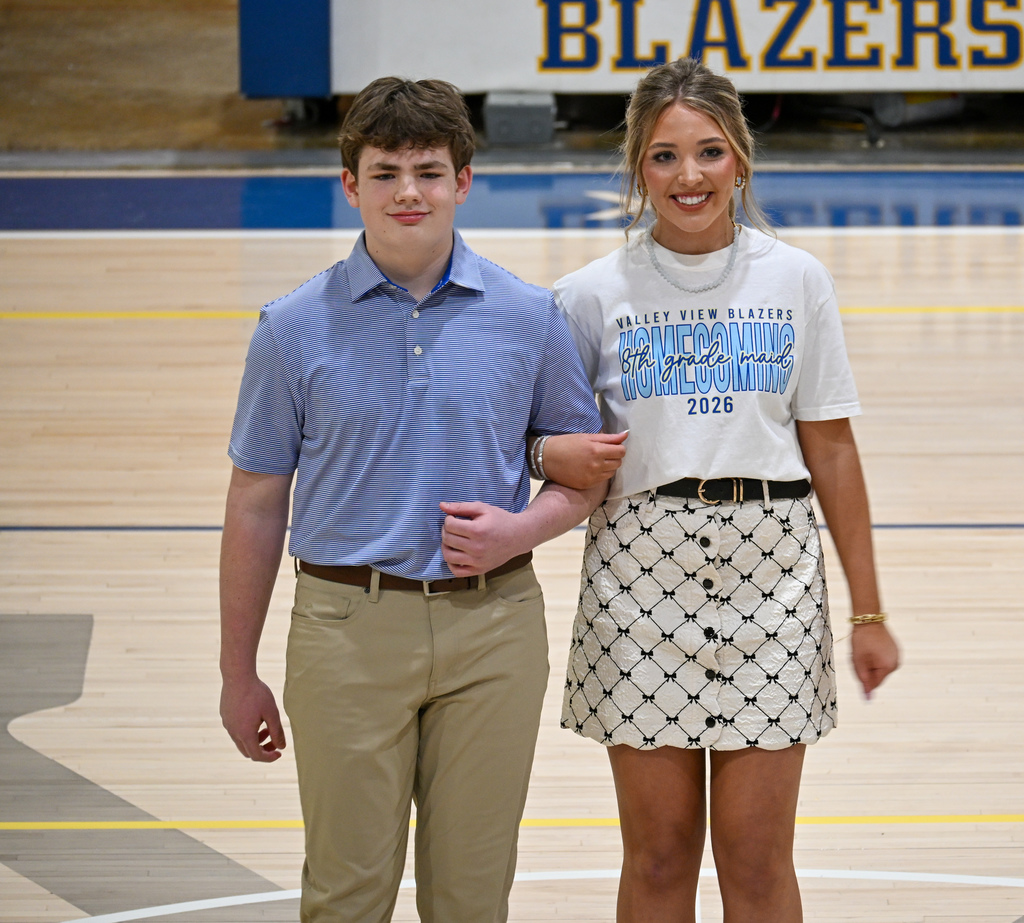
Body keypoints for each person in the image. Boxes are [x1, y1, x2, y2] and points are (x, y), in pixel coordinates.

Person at [218, 76, 610, 923]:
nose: (408, 192)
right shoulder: (290, 328)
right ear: (350, 183)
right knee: (346, 895)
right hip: (345, 632)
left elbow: (585, 474)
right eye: (386, 171)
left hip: (494, 630)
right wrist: (235, 668)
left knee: (472, 899)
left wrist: (520, 531)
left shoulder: (527, 315)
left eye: (429, 171)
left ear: (463, 181)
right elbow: (254, 503)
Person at [538, 57, 900, 922]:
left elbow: (833, 450)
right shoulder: (586, 296)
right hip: (638, 577)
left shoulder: (797, 280)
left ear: (740, 158)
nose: (688, 176)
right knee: (659, 857)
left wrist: (868, 610)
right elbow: (535, 441)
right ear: (636, 167)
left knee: (757, 856)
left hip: (771, 576)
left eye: (708, 153)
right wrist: (555, 453)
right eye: (664, 156)